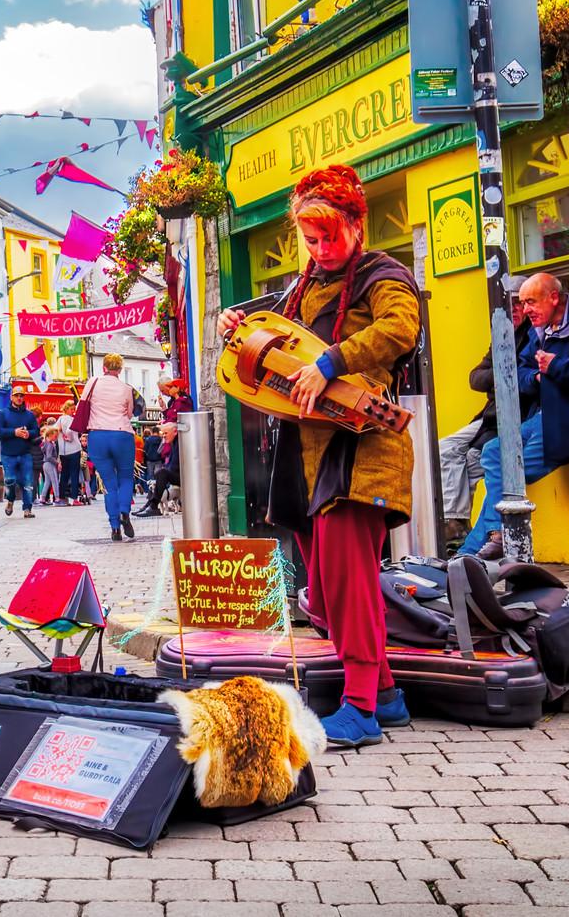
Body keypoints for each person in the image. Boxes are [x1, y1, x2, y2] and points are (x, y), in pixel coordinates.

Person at [218, 164, 420, 749]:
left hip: (362, 447)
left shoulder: (385, 275)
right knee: (326, 593)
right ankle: (385, 694)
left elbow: (400, 328)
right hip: (304, 456)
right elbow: (275, 337)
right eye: (310, 239)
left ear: (356, 224)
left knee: (350, 585)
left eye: (330, 236)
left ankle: (360, 708)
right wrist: (238, 328)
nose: (321, 249)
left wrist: (330, 362)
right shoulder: (302, 286)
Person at [458, 272, 569, 560]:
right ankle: (487, 541)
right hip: (543, 415)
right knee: (493, 452)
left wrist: (557, 367)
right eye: (523, 303)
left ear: (554, 298)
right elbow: (520, 371)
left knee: (509, 474)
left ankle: (475, 550)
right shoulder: (540, 329)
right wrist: (538, 378)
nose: (525, 309)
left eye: (530, 302)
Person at [436, 293, 534, 550]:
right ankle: (454, 521)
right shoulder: (502, 335)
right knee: (444, 449)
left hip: (514, 416)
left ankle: (460, 530)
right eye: (509, 304)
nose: (513, 309)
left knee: (472, 461)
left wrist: (501, 378)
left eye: (519, 304)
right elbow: (475, 378)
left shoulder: (533, 335)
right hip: (489, 415)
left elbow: (523, 380)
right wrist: (500, 376)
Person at [80, 356, 140, 540]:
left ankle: (115, 527)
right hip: (122, 434)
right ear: (120, 370)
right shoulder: (127, 389)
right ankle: (124, 511)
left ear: (104, 367)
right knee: (126, 477)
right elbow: (129, 414)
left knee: (108, 483)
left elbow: (82, 405)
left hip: (98, 435)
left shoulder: (93, 383)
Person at [0, 388, 41, 519]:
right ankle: (10, 500)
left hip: (25, 453)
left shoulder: (29, 415)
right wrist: (14, 432)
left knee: (28, 482)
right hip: (8, 454)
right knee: (10, 481)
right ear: (11, 397)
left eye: (21, 395)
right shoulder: (3, 414)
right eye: (16, 395)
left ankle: (27, 509)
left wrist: (28, 434)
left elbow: (36, 431)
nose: (19, 398)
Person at [134, 422, 180, 517]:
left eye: (166, 433)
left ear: (175, 432)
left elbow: (174, 466)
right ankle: (150, 505)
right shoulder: (174, 443)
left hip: (184, 476)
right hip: (178, 474)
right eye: (163, 433)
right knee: (159, 475)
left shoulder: (179, 443)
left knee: (161, 473)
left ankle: (152, 506)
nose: (163, 436)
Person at [53, 403, 86, 505]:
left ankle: (62, 497)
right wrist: (70, 438)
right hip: (74, 450)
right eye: (72, 409)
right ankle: (74, 498)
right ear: (67, 409)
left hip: (63, 452)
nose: (73, 411)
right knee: (74, 474)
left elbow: (54, 430)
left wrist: (60, 434)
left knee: (64, 475)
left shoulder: (60, 419)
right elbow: (69, 431)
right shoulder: (72, 419)